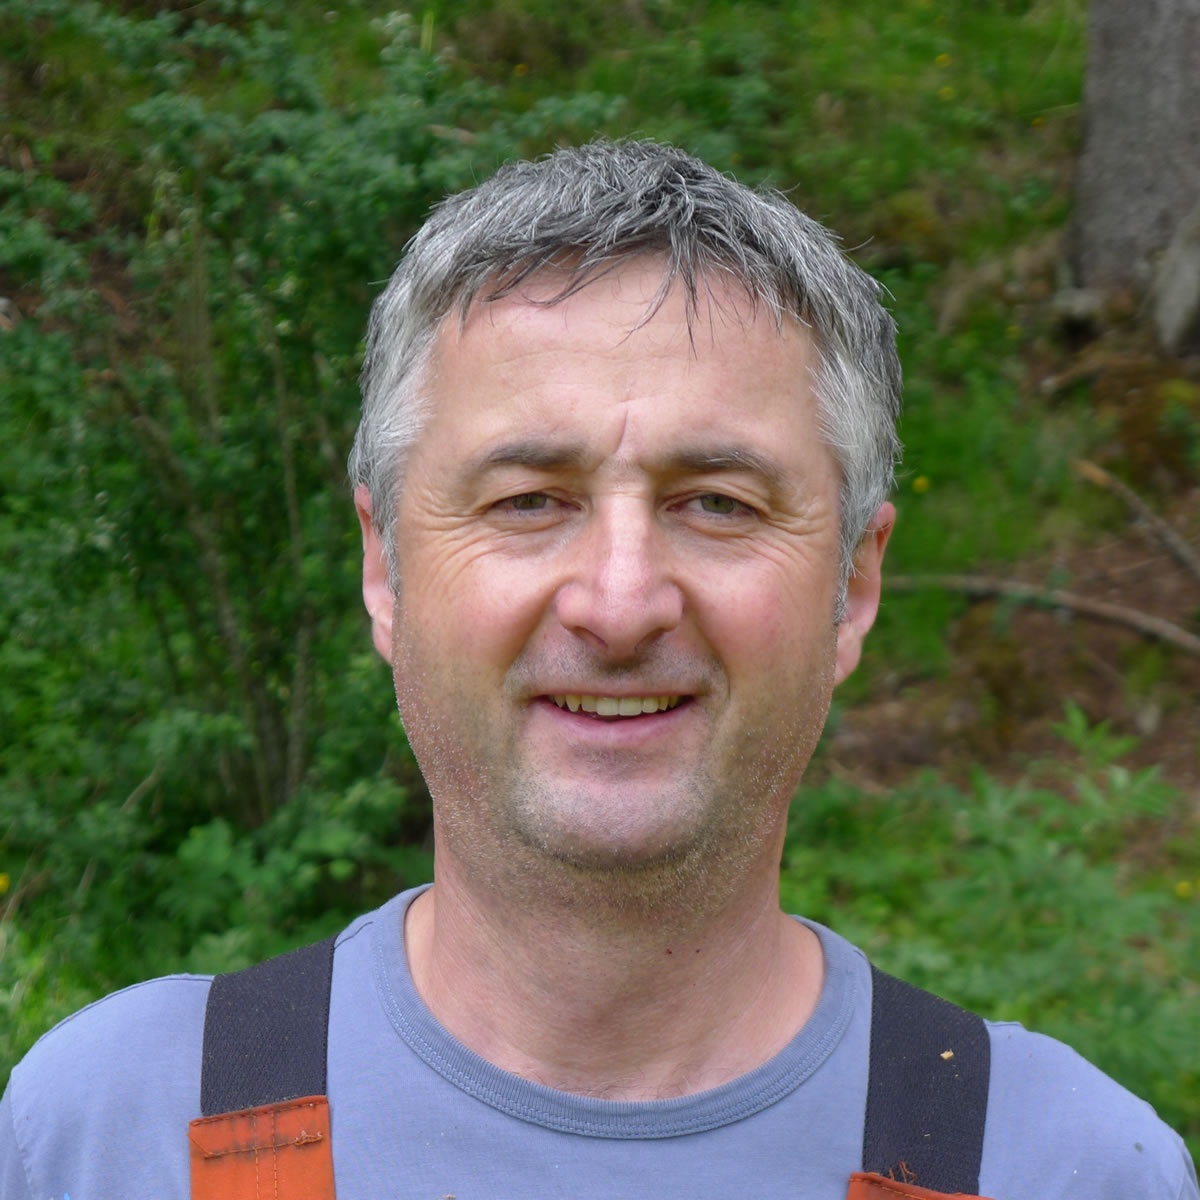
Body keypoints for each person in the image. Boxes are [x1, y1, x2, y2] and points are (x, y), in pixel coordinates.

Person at [1, 140, 1196, 1200]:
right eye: (528, 500)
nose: (620, 605)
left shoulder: (1066, 1172)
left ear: (856, 585)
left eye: (718, 502)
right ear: (384, 566)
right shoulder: (106, 1140)